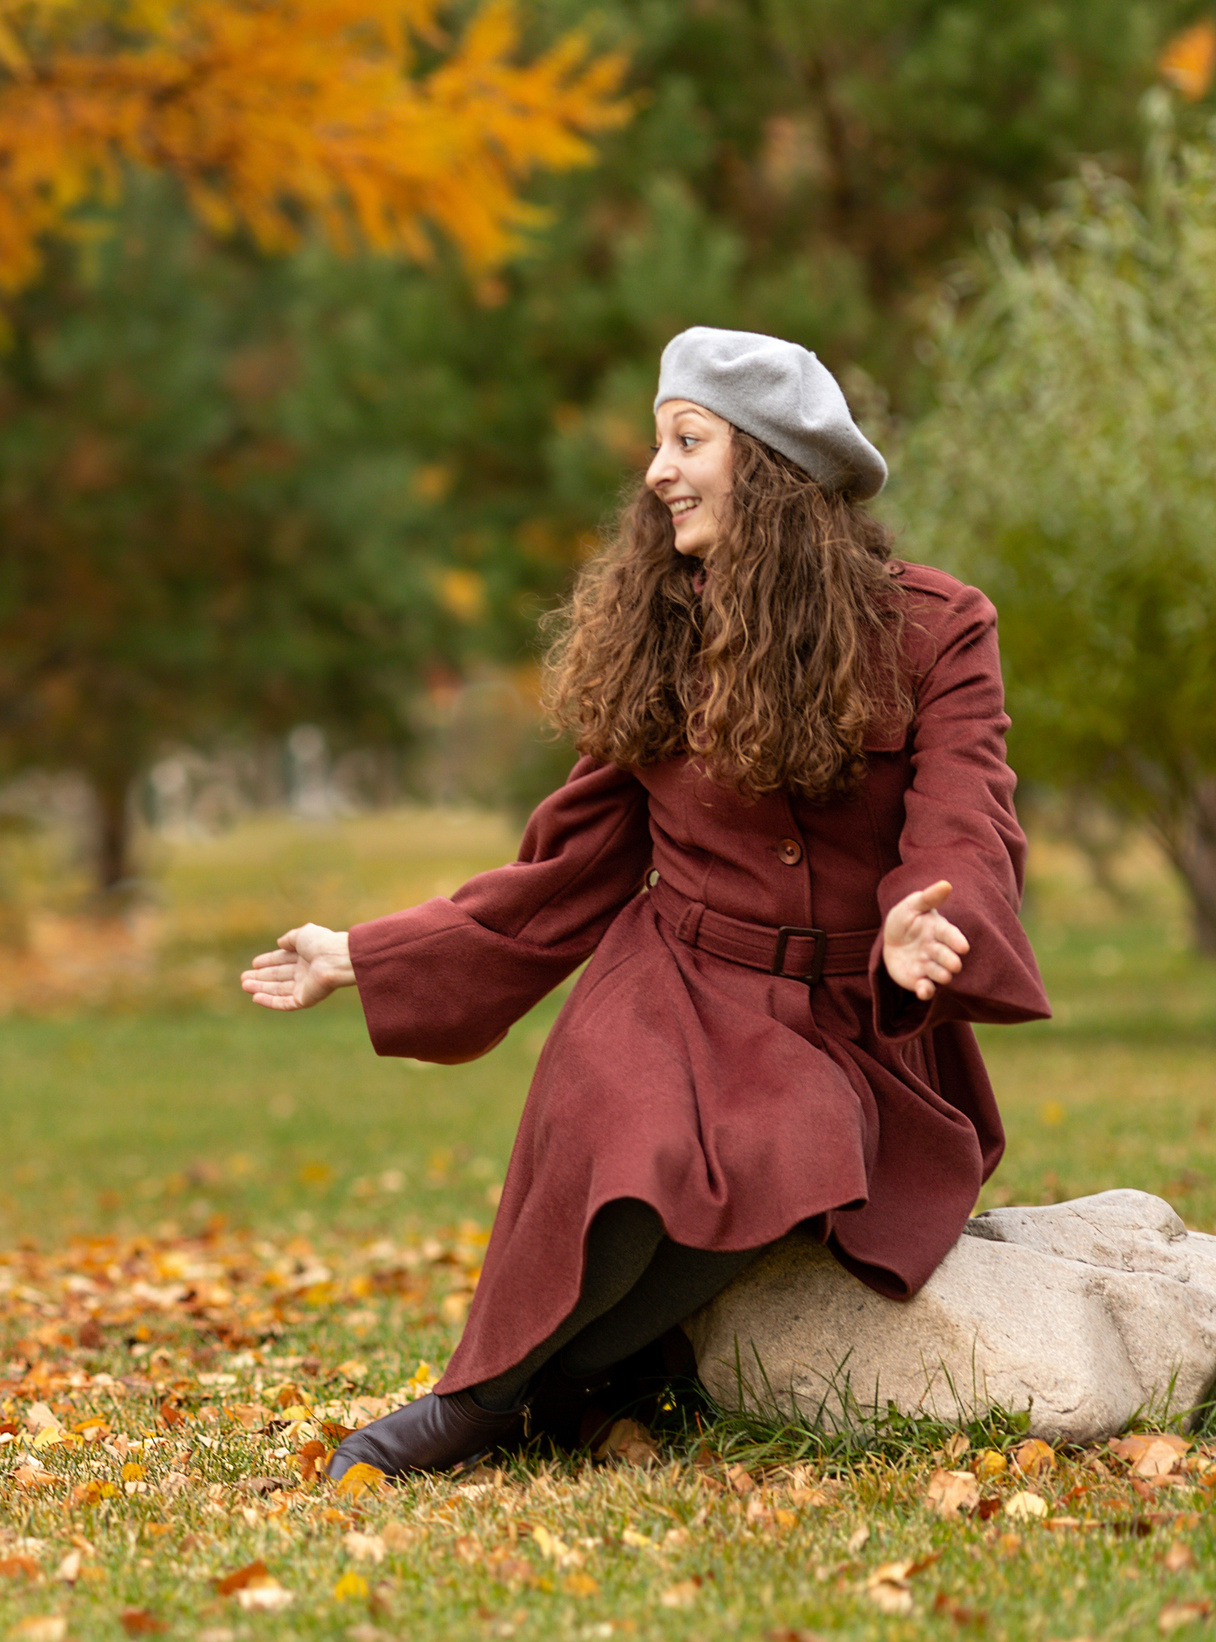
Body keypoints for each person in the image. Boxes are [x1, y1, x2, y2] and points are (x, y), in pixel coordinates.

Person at [242, 328, 1050, 1480]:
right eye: (658, 442)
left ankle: (571, 1387)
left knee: (798, 1143)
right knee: (633, 1148)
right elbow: (565, 869)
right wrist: (362, 954)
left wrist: (933, 917)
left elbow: (968, 809)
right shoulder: (657, 635)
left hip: (847, 1020)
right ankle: (473, 1405)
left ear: (769, 466)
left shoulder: (938, 626)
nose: (657, 470)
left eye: (687, 440)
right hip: (675, 985)